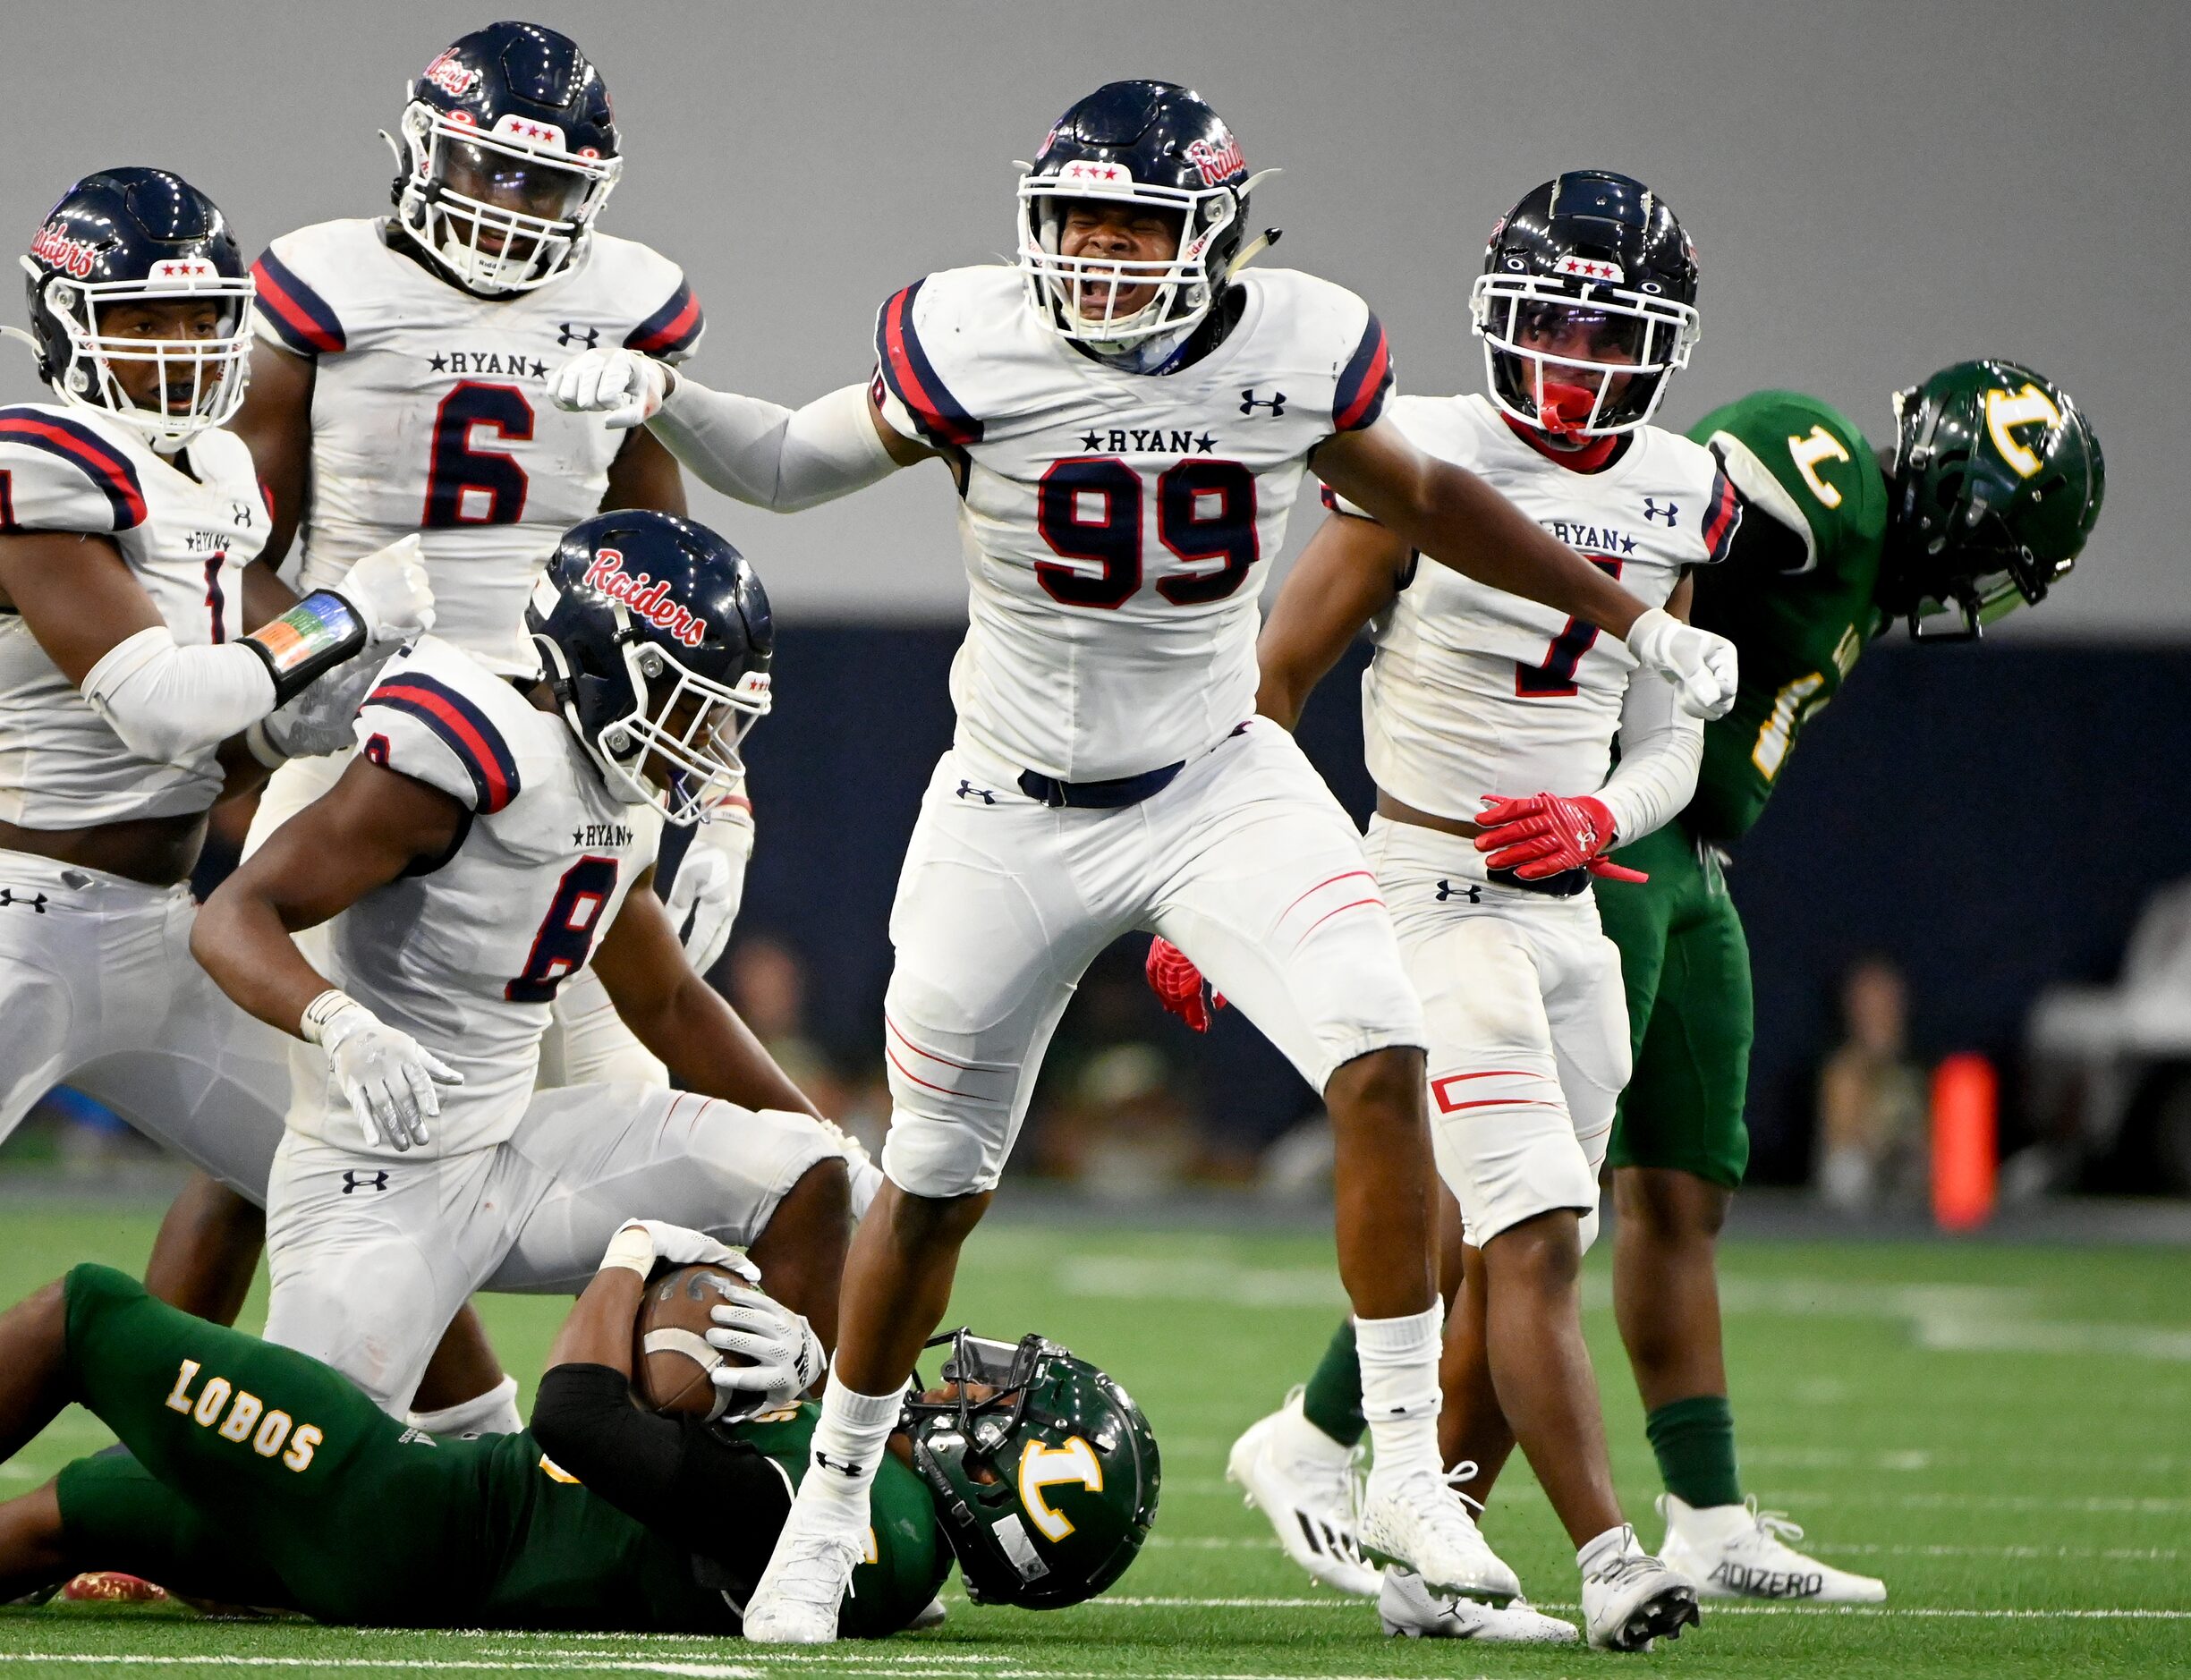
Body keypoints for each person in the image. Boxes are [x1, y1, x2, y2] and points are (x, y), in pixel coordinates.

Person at [550, 80, 1741, 1643]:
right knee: (927, 1182)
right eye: (1080, 225)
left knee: (1380, 1044)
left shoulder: (1294, 344)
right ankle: (829, 1497)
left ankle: (1396, 1462)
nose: (1102, 259)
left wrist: (1635, 619)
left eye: (1139, 227)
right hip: (1006, 807)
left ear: (1218, 241)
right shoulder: (972, 339)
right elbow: (781, 462)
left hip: (1211, 777)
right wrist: (661, 398)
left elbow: (1436, 499)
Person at [1226, 359, 2103, 1607]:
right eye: (2001, 545)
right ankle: (1364, 1472)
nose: (1990, 581)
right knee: (1526, 1211)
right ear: (1960, 499)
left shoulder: (1862, 556)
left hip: (1686, 852)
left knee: (1684, 1189)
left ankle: (1706, 1516)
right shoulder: (1820, 470)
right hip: (1598, 849)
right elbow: (1646, 525)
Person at [149, 21, 750, 1432]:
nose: (513, 206)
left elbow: (677, 572)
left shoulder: (635, 299)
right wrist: (323, 663)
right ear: (421, 147)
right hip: (383, 748)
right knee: (282, 1132)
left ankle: (645, 1458)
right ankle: (180, 1455)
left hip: (581, 758)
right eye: (488, 166)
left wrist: (720, 792)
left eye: (547, 185)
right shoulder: (324, 284)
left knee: (640, 1110)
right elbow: (245, 542)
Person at [1194, 170, 1722, 1650]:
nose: (1567, 364)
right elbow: (1270, 682)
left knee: (1508, 1250)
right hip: (1429, 894)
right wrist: (1216, 883)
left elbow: (1669, 729)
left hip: (1567, 914)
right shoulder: (1419, 454)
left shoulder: (1679, 485)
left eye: (1600, 336)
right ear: (1497, 321)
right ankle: (1612, 1555)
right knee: (1540, 1234)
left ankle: (1424, 1559)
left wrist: (1600, 814)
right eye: (1544, 327)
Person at [189, 511, 870, 1424]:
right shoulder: (463, 752)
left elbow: (666, 1001)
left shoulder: (614, 792)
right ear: (605, 661)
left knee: (808, 1173)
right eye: (688, 700)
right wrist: (337, 1022)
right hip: (373, 1180)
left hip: (514, 1158)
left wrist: (835, 1145)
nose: (707, 739)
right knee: (298, 1507)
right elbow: (235, 914)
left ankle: (789, 1483)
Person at [0, 1224, 1157, 1633]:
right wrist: (792, 1377)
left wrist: (628, 1255)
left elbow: (580, 1414)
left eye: (997, 1405)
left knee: (87, 1309)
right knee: (65, 1518)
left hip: (401, 1501)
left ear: (1001, 1481)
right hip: (427, 1551)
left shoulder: (840, 1519)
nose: (969, 1385)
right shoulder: (896, 1555)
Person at [0, 167, 432, 1243]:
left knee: (360, 1192)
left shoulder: (219, 463)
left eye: (206, 316)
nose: (186, 345)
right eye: (147, 319)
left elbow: (203, 750)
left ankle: (465, 1419)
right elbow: (156, 707)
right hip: (18, 916)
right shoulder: (38, 459)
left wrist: (290, 728)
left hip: (156, 920)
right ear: (65, 320)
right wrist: (340, 615)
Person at [1815, 957, 1928, 1210]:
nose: (1879, 1013)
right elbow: (1842, 1139)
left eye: (1887, 1004)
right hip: (1860, 1186)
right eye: (1870, 1005)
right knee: (1849, 1170)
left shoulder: (1917, 1071)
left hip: (1912, 1181)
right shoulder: (1843, 1069)